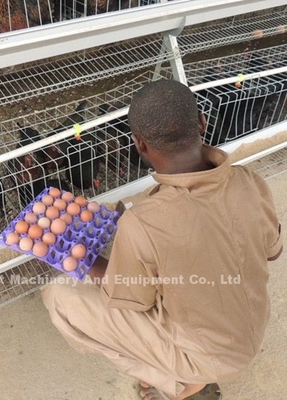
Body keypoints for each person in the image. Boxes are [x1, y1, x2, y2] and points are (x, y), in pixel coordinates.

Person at [41, 79, 283, 400]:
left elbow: (132, 299)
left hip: (210, 353)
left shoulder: (144, 221)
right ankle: (185, 372)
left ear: (139, 144)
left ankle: (182, 383)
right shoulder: (250, 181)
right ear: (201, 123)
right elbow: (272, 251)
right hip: (251, 326)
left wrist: (82, 256)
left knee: (59, 295)